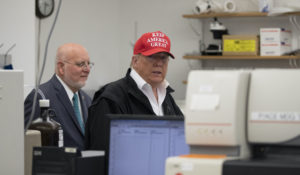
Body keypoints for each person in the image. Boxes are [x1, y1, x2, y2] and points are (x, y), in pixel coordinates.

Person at [85, 31, 183, 150]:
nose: (159, 63)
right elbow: (101, 153)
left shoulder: (166, 97)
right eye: (151, 57)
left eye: (163, 58)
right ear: (135, 61)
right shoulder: (111, 98)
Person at [24, 43, 93, 150]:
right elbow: (26, 144)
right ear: (61, 67)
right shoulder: (40, 97)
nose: (87, 69)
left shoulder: (87, 100)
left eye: (89, 64)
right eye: (81, 64)